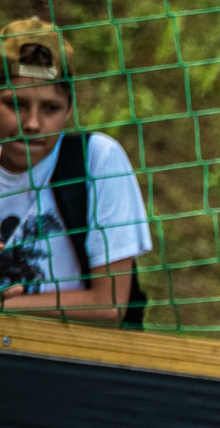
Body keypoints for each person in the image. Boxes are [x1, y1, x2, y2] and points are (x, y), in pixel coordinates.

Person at [0, 17, 150, 325]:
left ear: (69, 109)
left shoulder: (96, 160)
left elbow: (109, 304)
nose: (32, 123)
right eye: (16, 104)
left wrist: (8, 306)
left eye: (50, 108)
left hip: (74, 351)